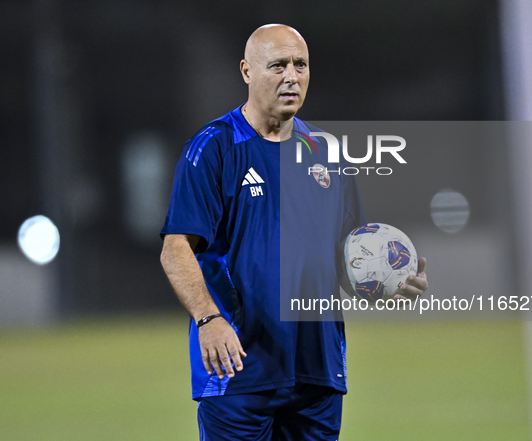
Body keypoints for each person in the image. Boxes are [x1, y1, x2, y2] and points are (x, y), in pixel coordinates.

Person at [160, 24, 428, 441]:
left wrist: (387, 279)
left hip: (316, 368)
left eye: (300, 65)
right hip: (239, 369)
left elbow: (346, 261)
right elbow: (176, 249)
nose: (292, 76)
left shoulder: (328, 153)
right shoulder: (214, 147)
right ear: (247, 71)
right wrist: (208, 319)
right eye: (278, 65)